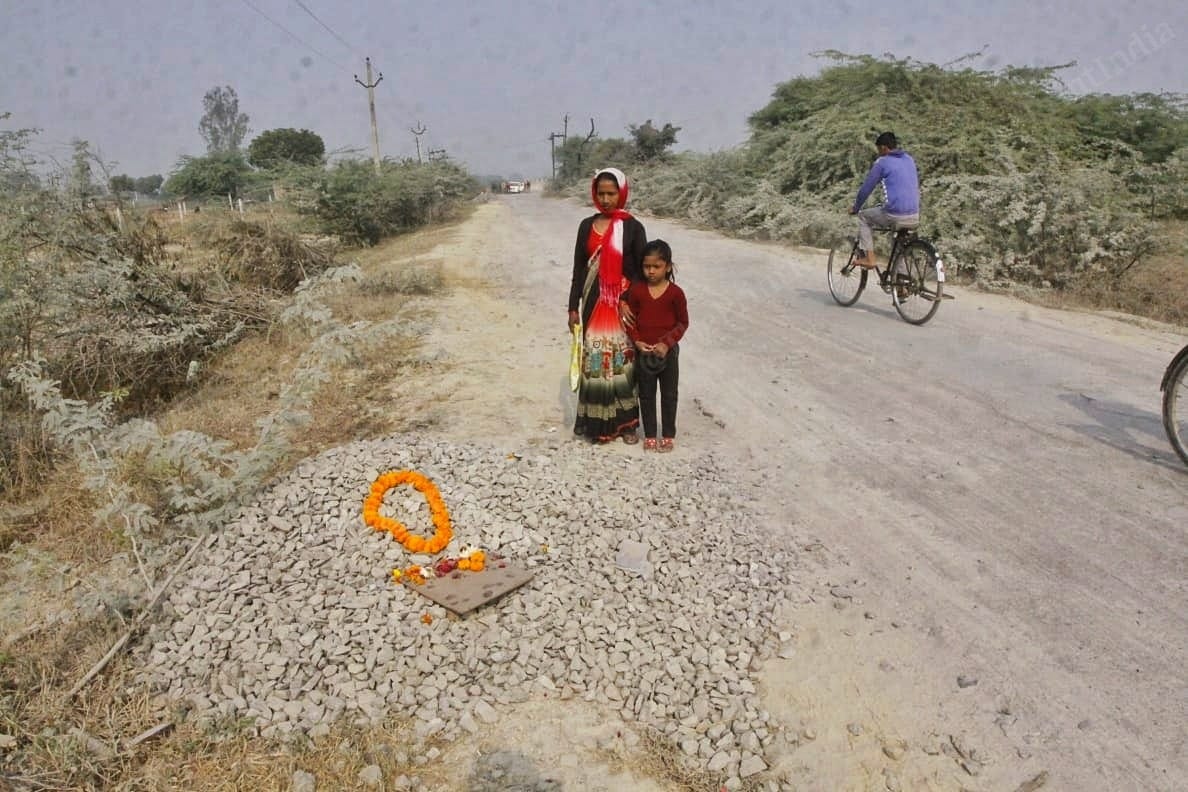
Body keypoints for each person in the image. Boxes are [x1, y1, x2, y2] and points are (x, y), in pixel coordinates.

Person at [567, 167, 647, 443]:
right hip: (592, 305)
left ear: (621, 193)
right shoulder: (585, 226)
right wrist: (572, 308)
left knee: (622, 365)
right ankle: (598, 424)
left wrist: (627, 300)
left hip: (621, 307)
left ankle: (627, 425)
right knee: (596, 363)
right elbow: (579, 269)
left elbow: (640, 271)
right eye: (600, 193)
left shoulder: (633, 227)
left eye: (611, 193)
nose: (605, 199)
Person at [625, 239, 688, 452]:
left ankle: (668, 434)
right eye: (646, 266)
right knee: (646, 394)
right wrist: (637, 341)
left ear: (668, 266)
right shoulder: (637, 291)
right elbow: (630, 321)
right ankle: (650, 434)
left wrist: (667, 343)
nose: (650, 271)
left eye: (656, 266)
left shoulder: (676, 293)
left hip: (667, 354)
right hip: (645, 353)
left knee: (669, 394)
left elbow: (683, 323)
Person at [849, 131, 920, 270]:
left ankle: (870, 259)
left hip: (895, 213)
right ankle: (902, 283)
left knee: (863, 216)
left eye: (878, 150)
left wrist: (856, 207)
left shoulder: (882, 162)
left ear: (883, 148)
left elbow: (866, 189)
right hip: (914, 214)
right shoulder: (909, 158)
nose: (878, 153)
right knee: (897, 241)